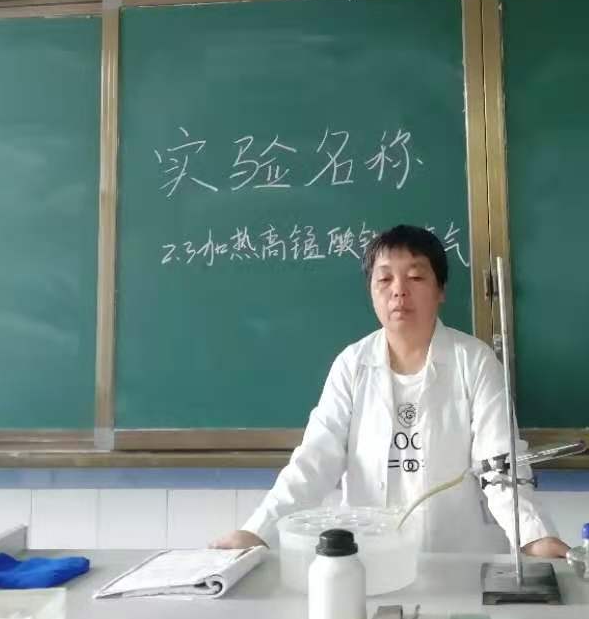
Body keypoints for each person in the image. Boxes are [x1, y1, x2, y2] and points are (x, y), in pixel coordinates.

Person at [212, 224, 568, 557]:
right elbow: (314, 462)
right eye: (384, 278)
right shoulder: (352, 364)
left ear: (441, 290)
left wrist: (534, 536)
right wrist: (258, 531)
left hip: (456, 560)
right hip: (370, 562)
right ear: (372, 292)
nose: (399, 290)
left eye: (416, 276)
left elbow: (501, 465)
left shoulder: (474, 361)